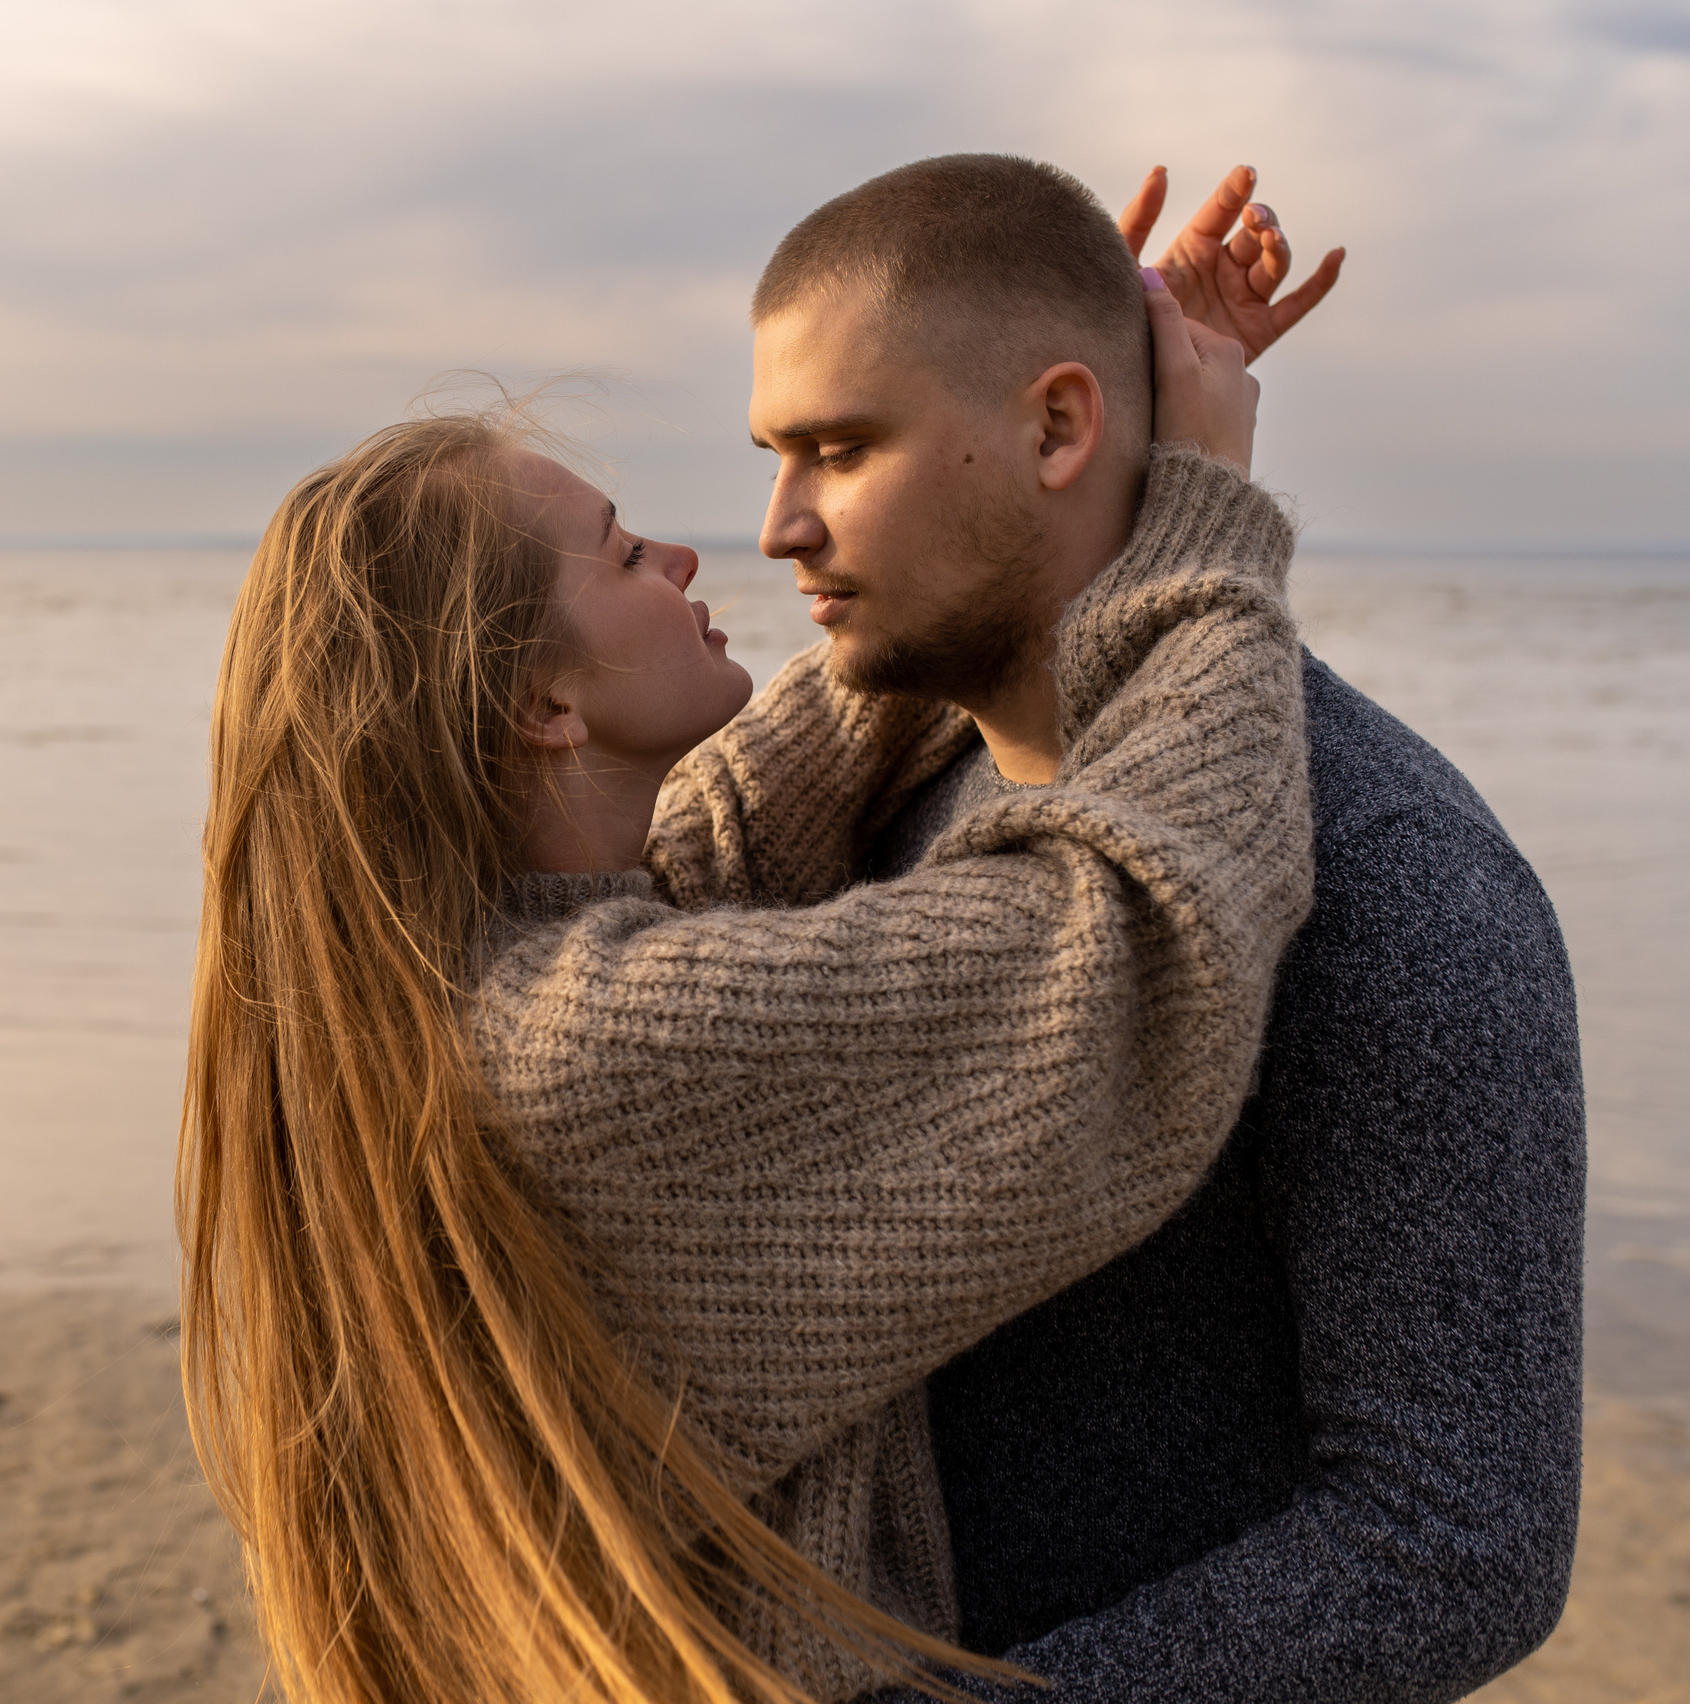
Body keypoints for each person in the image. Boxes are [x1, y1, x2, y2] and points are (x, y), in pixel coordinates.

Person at [181, 247, 1308, 1700]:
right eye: (623, 551)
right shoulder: (587, 1052)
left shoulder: (473, 971)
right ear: (542, 704)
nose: (697, 556)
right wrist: (1207, 505)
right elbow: (1136, 943)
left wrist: (1039, 449)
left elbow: (785, 778)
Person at [656, 153, 1585, 1703]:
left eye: (839, 448)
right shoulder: (885, 799)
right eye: (774, 452)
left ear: (1060, 426)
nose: (778, 526)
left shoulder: (1390, 869)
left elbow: (1454, 1535)